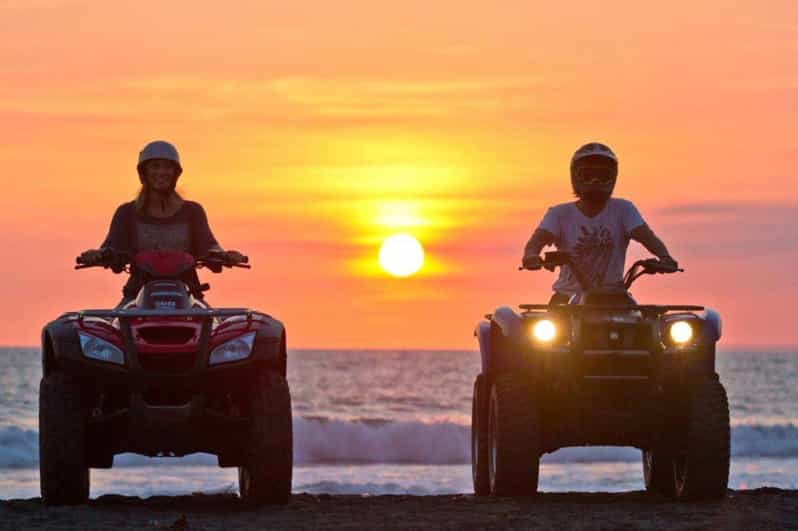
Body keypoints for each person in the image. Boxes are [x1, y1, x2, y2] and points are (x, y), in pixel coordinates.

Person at [78, 140, 245, 305]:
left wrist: (223, 255)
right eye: (155, 166)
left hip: (188, 294)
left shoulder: (193, 211)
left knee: (212, 328)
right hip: (137, 296)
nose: (162, 172)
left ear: (176, 173)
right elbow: (112, 246)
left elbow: (208, 244)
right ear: (143, 173)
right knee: (115, 329)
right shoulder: (127, 213)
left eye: (167, 167)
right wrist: (98, 255)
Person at [522, 142, 677, 304]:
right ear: (575, 177)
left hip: (614, 297)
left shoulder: (623, 209)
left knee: (643, 323)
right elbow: (538, 239)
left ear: (613, 178)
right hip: (567, 298)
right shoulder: (559, 213)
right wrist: (531, 255)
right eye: (588, 175)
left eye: (603, 176)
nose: (595, 182)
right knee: (544, 326)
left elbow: (646, 236)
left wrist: (664, 257)